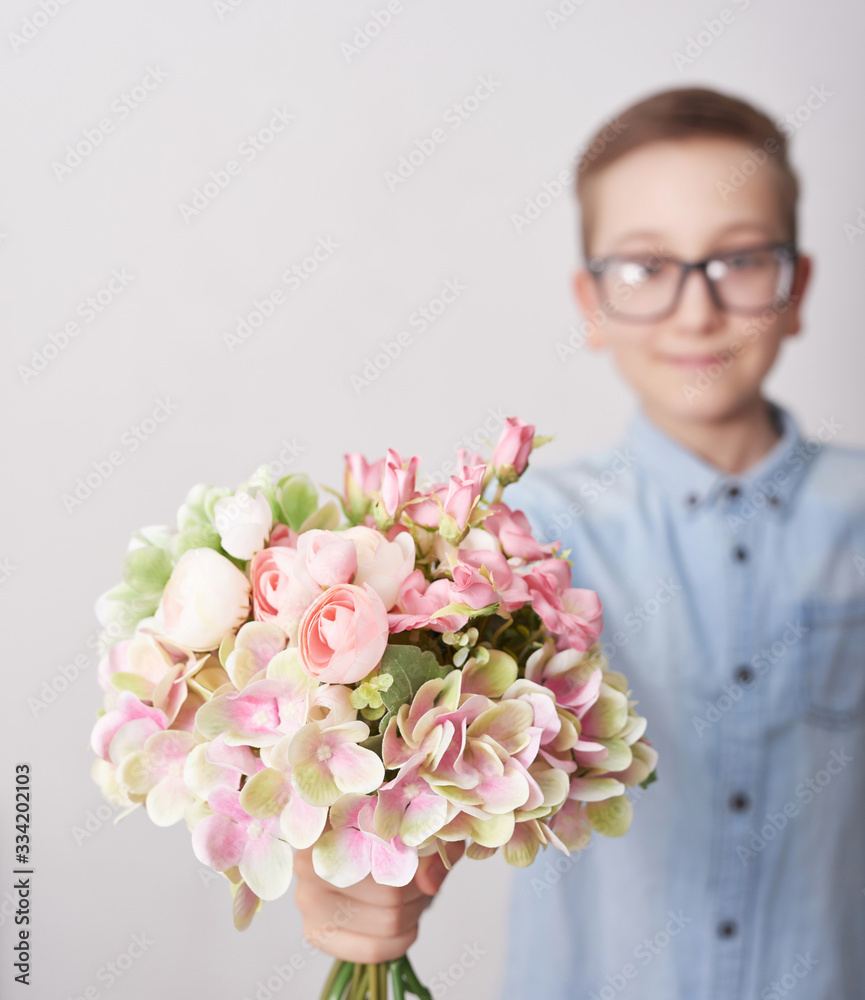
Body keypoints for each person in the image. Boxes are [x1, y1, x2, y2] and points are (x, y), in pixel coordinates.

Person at [293, 86, 865, 997]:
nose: (695, 309)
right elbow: (434, 773)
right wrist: (350, 864)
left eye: (740, 261)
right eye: (644, 267)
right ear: (589, 302)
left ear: (796, 288)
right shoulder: (517, 543)